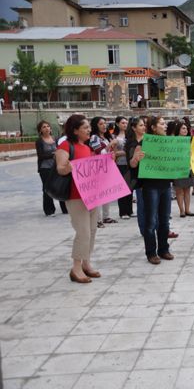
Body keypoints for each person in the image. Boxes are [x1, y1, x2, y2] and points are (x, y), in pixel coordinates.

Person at [55, 114, 101, 283]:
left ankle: (86, 264)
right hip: (75, 196)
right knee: (83, 232)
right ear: (75, 130)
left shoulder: (87, 147)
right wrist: (70, 166)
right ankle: (76, 268)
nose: (89, 130)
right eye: (85, 128)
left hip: (91, 195)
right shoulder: (66, 146)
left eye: (89, 127)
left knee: (92, 230)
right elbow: (60, 169)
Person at [138, 116, 176, 264]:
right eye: (162, 124)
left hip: (165, 185)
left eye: (165, 123)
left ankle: (164, 249)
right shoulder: (144, 143)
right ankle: (151, 252)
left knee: (165, 220)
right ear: (153, 127)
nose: (165, 126)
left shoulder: (170, 143)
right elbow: (134, 165)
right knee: (151, 221)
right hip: (150, 186)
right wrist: (136, 158)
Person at [36, 120, 68, 216]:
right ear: (40, 130)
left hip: (57, 166)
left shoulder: (56, 139)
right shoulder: (39, 141)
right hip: (45, 168)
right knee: (47, 188)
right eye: (44, 127)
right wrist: (52, 154)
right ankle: (49, 210)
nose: (46, 128)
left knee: (61, 186)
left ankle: (65, 208)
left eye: (48, 126)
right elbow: (40, 155)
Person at [90, 116, 117, 228]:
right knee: (98, 195)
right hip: (97, 168)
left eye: (105, 123)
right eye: (101, 124)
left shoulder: (106, 137)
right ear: (96, 125)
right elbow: (99, 153)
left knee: (107, 193)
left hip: (107, 167)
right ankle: (97, 219)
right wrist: (110, 145)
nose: (104, 125)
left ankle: (106, 216)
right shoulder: (94, 138)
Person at [125, 117, 146, 236]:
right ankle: (144, 230)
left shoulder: (149, 140)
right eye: (141, 125)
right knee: (142, 205)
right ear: (133, 128)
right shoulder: (130, 143)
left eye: (144, 125)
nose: (143, 127)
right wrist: (136, 157)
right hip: (138, 177)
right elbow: (132, 164)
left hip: (151, 176)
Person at [173, 121, 194, 218]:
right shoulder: (173, 141)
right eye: (183, 128)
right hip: (177, 168)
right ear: (178, 129)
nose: (185, 130)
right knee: (179, 190)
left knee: (187, 190)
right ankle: (181, 210)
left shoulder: (190, 140)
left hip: (189, 167)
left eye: (186, 128)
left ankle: (187, 209)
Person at [113, 116, 134, 219]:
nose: (125, 125)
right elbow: (114, 153)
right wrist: (125, 152)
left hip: (130, 163)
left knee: (130, 187)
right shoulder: (114, 137)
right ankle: (123, 212)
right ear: (117, 124)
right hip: (120, 164)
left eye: (126, 123)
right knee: (121, 188)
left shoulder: (130, 136)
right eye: (122, 123)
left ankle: (130, 210)